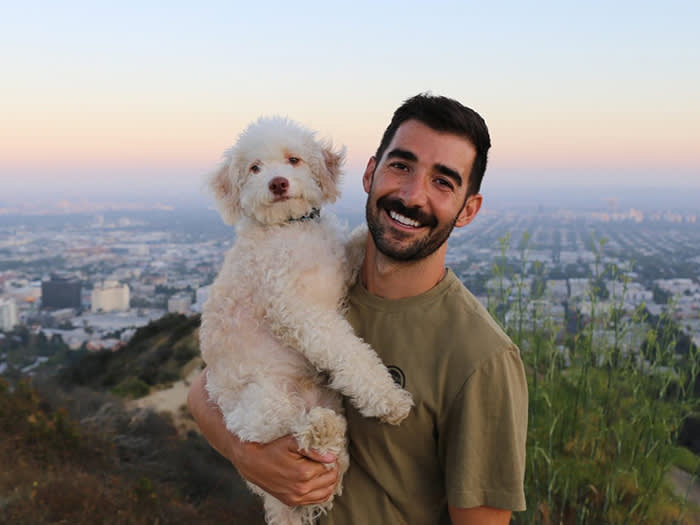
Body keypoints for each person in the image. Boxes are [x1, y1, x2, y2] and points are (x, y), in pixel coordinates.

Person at [188, 93, 528, 524]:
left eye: (443, 182)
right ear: (370, 173)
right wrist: (246, 453)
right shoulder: (319, 284)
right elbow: (205, 388)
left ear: (468, 210)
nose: (411, 195)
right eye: (401, 166)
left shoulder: (481, 358)